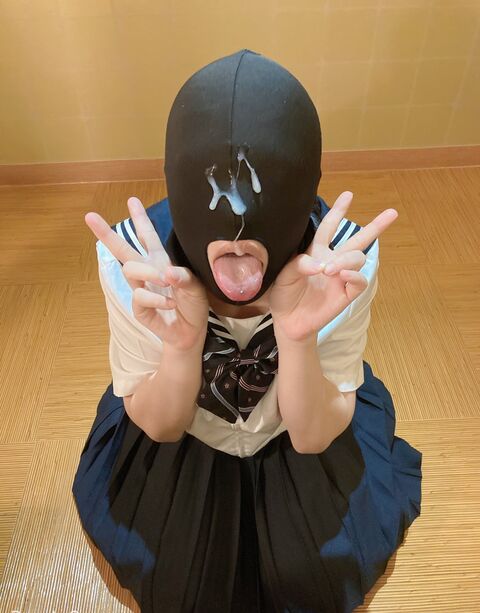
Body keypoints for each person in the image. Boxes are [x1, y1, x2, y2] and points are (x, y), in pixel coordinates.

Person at [72, 49, 422, 613]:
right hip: (181, 434)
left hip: (299, 425)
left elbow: (312, 436)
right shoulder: (138, 267)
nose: (235, 221)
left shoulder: (337, 268)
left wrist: (297, 336)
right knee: (185, 587)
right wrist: (182, 346)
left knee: (315, 579)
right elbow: (160, 425)